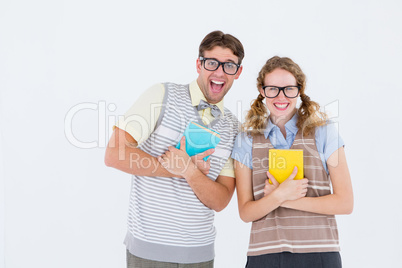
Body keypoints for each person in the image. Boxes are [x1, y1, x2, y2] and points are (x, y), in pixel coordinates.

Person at [105, 30, 244, 267]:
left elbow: (221, 201)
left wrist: (189, 172)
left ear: (238, 72)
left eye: (229, 65)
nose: (220, 72)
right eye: (212, 63)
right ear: (198, 65)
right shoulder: (162, 95)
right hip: (148, 253)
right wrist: (176, 168)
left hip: (200, 256)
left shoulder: (233, 128)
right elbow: (115, 154)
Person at [232, 56, 353, 268]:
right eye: (273, 89)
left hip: (320, 254)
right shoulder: (246, 139)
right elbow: (245, 211)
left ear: (299, 90)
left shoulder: (324, 132)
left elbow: (345, 202)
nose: (281, 96)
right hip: (265, 256)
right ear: (262, 91)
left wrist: (284, 198)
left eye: (288, 89)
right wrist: (280, 194)